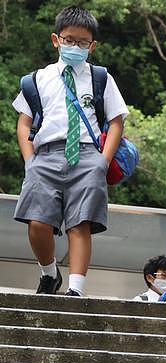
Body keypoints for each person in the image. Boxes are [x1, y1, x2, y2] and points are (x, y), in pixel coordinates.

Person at [11, 6, 128, 297]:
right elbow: (24, 122)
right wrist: (29, 160)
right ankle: (49, 273)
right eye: (69, 40)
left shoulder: (100, 78)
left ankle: (76, 289)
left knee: (80, 223)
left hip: (88, 156)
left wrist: (103, 161)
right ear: (56, 39)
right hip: (45, 155)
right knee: (37, 222)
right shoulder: (37, 79)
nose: (75, 46)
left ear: (92, 46)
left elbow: (116, 121)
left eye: (82, 42)